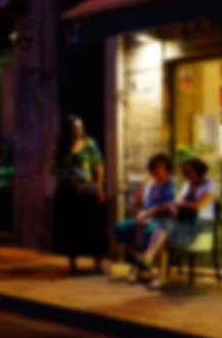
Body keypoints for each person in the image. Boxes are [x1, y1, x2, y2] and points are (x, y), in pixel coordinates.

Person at [146, 159, 218, 289]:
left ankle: (149, 262)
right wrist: (174, 207)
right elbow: (177, 201)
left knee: (164, 234)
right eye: (185, 172)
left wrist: (179, 204)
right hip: (185, 219)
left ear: (199, 172)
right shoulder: (187, 185)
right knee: (163, 224)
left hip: (200, 223)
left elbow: (198, 206)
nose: (186, 175)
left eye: (189, 172)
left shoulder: (210, 185)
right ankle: (156, 270)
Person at [52, 115, 106, 274]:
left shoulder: (90, 144)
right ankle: (73, 263)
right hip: (67, 191)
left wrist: (99, 188)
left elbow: (99, 166)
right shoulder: (62, 147)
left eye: (80, 127)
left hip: (86, 190)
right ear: (68, 130)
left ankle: (97, 263)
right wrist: (65, 172)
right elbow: (53, 168)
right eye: (75, 127)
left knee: (93, 226)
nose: (78, 130)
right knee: (70, 227)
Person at [111, 154, 177, 282]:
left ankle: (154, 271)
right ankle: (136, 266)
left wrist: (148, 214)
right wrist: (143, 185)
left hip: (160, 217)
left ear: (167, 169)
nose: (158, 169)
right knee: (123, 227)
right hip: (144, 215)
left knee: (151, 231)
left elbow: (167, 206)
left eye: (161, 167)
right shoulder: (150, 182)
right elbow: (137, 203)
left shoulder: (169, 184)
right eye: (155, 166)